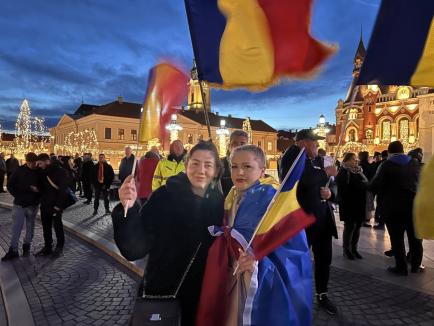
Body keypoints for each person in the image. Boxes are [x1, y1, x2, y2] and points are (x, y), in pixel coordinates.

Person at [196, 145, 312, 326]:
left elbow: (292, 246)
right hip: (231, 276)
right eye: (234, 166)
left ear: (262, 171)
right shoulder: (231, 196)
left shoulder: (272, 200)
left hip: (257, 281)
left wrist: (258, 261)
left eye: (247, 166)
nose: (239, 172)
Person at [112, 141, 224, 326]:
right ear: (186, 165)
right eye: (195, 163)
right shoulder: (165, 195)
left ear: (217, 170)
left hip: (203, 299)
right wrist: (128, 209)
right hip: (164, 295)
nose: (201, 170)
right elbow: (134, 249)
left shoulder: (219, 202)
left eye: (208, 165)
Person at [279, 129, 338, 315]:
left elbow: (329, 186)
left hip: (322, 219)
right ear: (303, 142)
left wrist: (330, 193)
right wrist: (326, 173)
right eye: (314, 143)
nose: (318, 146)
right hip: (302, 220)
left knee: (324, 259)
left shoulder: (318, 160)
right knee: (299, 260)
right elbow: (302, 179)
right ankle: (293, 297)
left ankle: (322, 293)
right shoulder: (292, 156)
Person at [370, 141, 423, 275]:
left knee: (397, 238)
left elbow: (375, 184)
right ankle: (416, 266)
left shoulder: (386, 164)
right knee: (415, 238)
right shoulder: (415, 163)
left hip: (394, 207)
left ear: (389, 152)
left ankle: (401, 267)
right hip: (414, 206)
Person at [1, 153, 40, 261]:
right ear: (26, 162)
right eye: (29, 163)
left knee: (30, 227)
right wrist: (22, 193)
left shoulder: (39, 171)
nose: (32, 165)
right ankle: (13, 250)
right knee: (16, 228)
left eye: (33, 163)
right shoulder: (19, 170)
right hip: (19, 204)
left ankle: (26, 246)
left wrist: (38, 194)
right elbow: (10, 185)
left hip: (33, 204)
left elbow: (43, 186)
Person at [35, 153, 70, 257]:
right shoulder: (41, 171)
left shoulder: (60, 171)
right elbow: (41, 187)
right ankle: (47, 247)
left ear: (47, 161)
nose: (39, 166)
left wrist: (58, 206)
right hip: (45, 204)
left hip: (55, 205)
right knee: (46, 227)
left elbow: (63, 190)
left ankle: (59, 247)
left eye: (40, 163)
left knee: (58, 226)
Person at [336, 152, 368, 260]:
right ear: (347, 160)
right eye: (354, 159)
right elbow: (343, 189)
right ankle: (347, 250)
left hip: (359, 203)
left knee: (358, 226)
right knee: (350, 226)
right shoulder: (343, 172)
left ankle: (354, 249)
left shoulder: (358, 171)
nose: (356, 161)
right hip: (348, 204)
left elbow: (364, 182)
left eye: (356, 159)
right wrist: (361, 186)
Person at [220, 130, 249, 196]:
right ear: (229, 145)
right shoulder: (219, 164)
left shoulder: (252, 165)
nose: (238, 146)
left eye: (242, 143)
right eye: (235, 143)